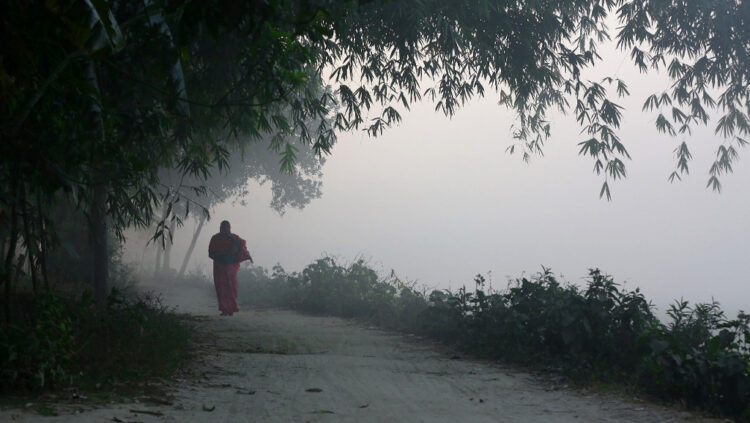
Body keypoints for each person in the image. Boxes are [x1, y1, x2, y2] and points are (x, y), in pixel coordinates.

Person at [208, 220, 252, 316]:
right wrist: (221, 255)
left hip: (230, 267)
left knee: (231, 287)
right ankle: (224, 309)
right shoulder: (215, 238)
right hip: (219, 266)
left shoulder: (235, 239)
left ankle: (231, 308)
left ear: (229, 228)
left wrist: (233, 253)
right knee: (221, 288)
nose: (224, 229)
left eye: (226, 227)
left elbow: (241, 250)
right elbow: (211, 253)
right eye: (222, 227)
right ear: (220, 228)